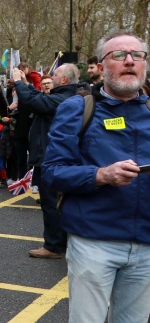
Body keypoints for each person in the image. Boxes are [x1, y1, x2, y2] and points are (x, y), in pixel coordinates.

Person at [42, 30, 150, 322]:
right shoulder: (78, 109)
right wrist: (101, 175)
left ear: (144, 64)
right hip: (94, 241)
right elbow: (52, 172)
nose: (129, 61)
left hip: (146, 245)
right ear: (101, 68)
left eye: (137, 55)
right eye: (118, 55)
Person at [14, 63, 78, 258]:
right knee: (59, 203)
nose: (52, 76)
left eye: (56, 74)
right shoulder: (65, 96)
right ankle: (62, 242)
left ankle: (53, 246)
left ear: (64, 80)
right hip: (54, 157)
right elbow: (39, 98)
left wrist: (18, 82)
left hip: (50, 159)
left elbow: (34, 101)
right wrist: (27, 84)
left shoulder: (64, 99)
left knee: (51, 203)